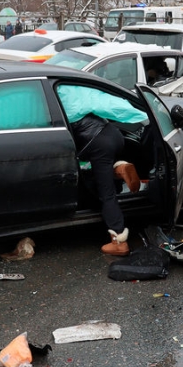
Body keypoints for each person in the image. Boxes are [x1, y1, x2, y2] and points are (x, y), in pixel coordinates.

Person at [56, 84, 146, 256]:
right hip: (111, 134)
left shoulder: (56, 98)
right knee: (91, 172)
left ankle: (119, 241)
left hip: (98, 144)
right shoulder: (71, 90)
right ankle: (118, 168)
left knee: (107, 193)